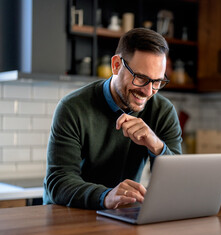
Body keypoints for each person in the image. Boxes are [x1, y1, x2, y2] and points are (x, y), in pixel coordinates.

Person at [43, 28, 182, 209]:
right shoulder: (72, 108)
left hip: (121, 216)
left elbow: (176, 183)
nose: (149, 92)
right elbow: (58, 182)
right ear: (116, 65)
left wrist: (156, 145)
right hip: (69, 216)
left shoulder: (162, 111)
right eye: (140, 78)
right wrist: (106, 196)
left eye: (157, 82)